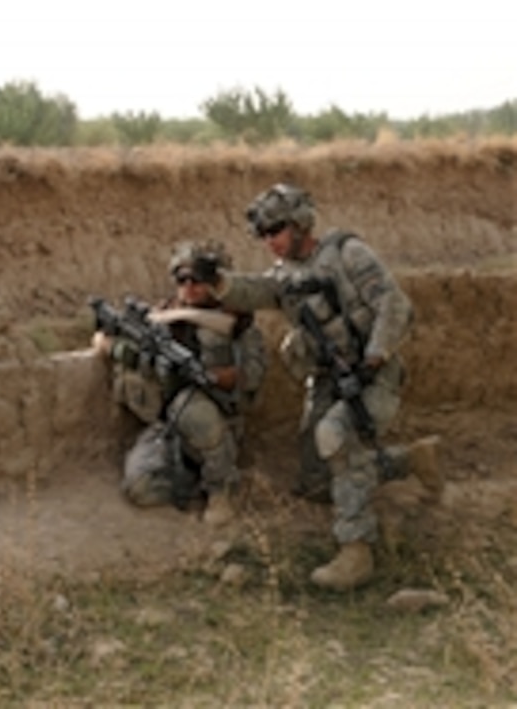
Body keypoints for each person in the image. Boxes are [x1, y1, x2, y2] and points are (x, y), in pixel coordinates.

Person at [211, 183, 443, 590]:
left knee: (333, 435)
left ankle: (357, 552)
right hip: (330, 380)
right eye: (263, 235)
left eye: (276, 230)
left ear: (301, 223)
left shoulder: (347, 254)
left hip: (374, 377)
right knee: (318, 482)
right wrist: (217, 281)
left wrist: (374, 357)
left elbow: (394, 306)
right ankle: (409, 461)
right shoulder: (285, 274)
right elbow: (257, 290)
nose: (270, 241)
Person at [92, 240, 267, 527]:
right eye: (182, 279)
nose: (189, 286)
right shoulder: (162, 318)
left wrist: (209, 376)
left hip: (217, 422)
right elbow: (127, 350)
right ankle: (191, 482)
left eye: (198, 279)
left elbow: (252, 374)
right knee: (140, 489)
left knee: (192, 409)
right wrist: (107, 343)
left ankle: (221, 490)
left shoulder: (237, 323)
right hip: (167, 427)